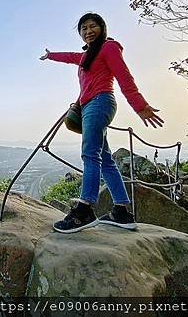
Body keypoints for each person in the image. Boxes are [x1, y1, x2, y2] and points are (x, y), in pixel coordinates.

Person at [40, 12, 164, 233]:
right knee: (106, 159)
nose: (88, 31)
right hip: (90, 105)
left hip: (100, 103)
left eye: (92, 26)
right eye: (83, 28)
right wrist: (51, 56)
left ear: (102, 27)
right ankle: (121, 212)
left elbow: (125, 77)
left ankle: (85, 209)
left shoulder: (109, 47)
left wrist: (140, 106)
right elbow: (69, 56)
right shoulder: (87, 56)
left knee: (90, 154)